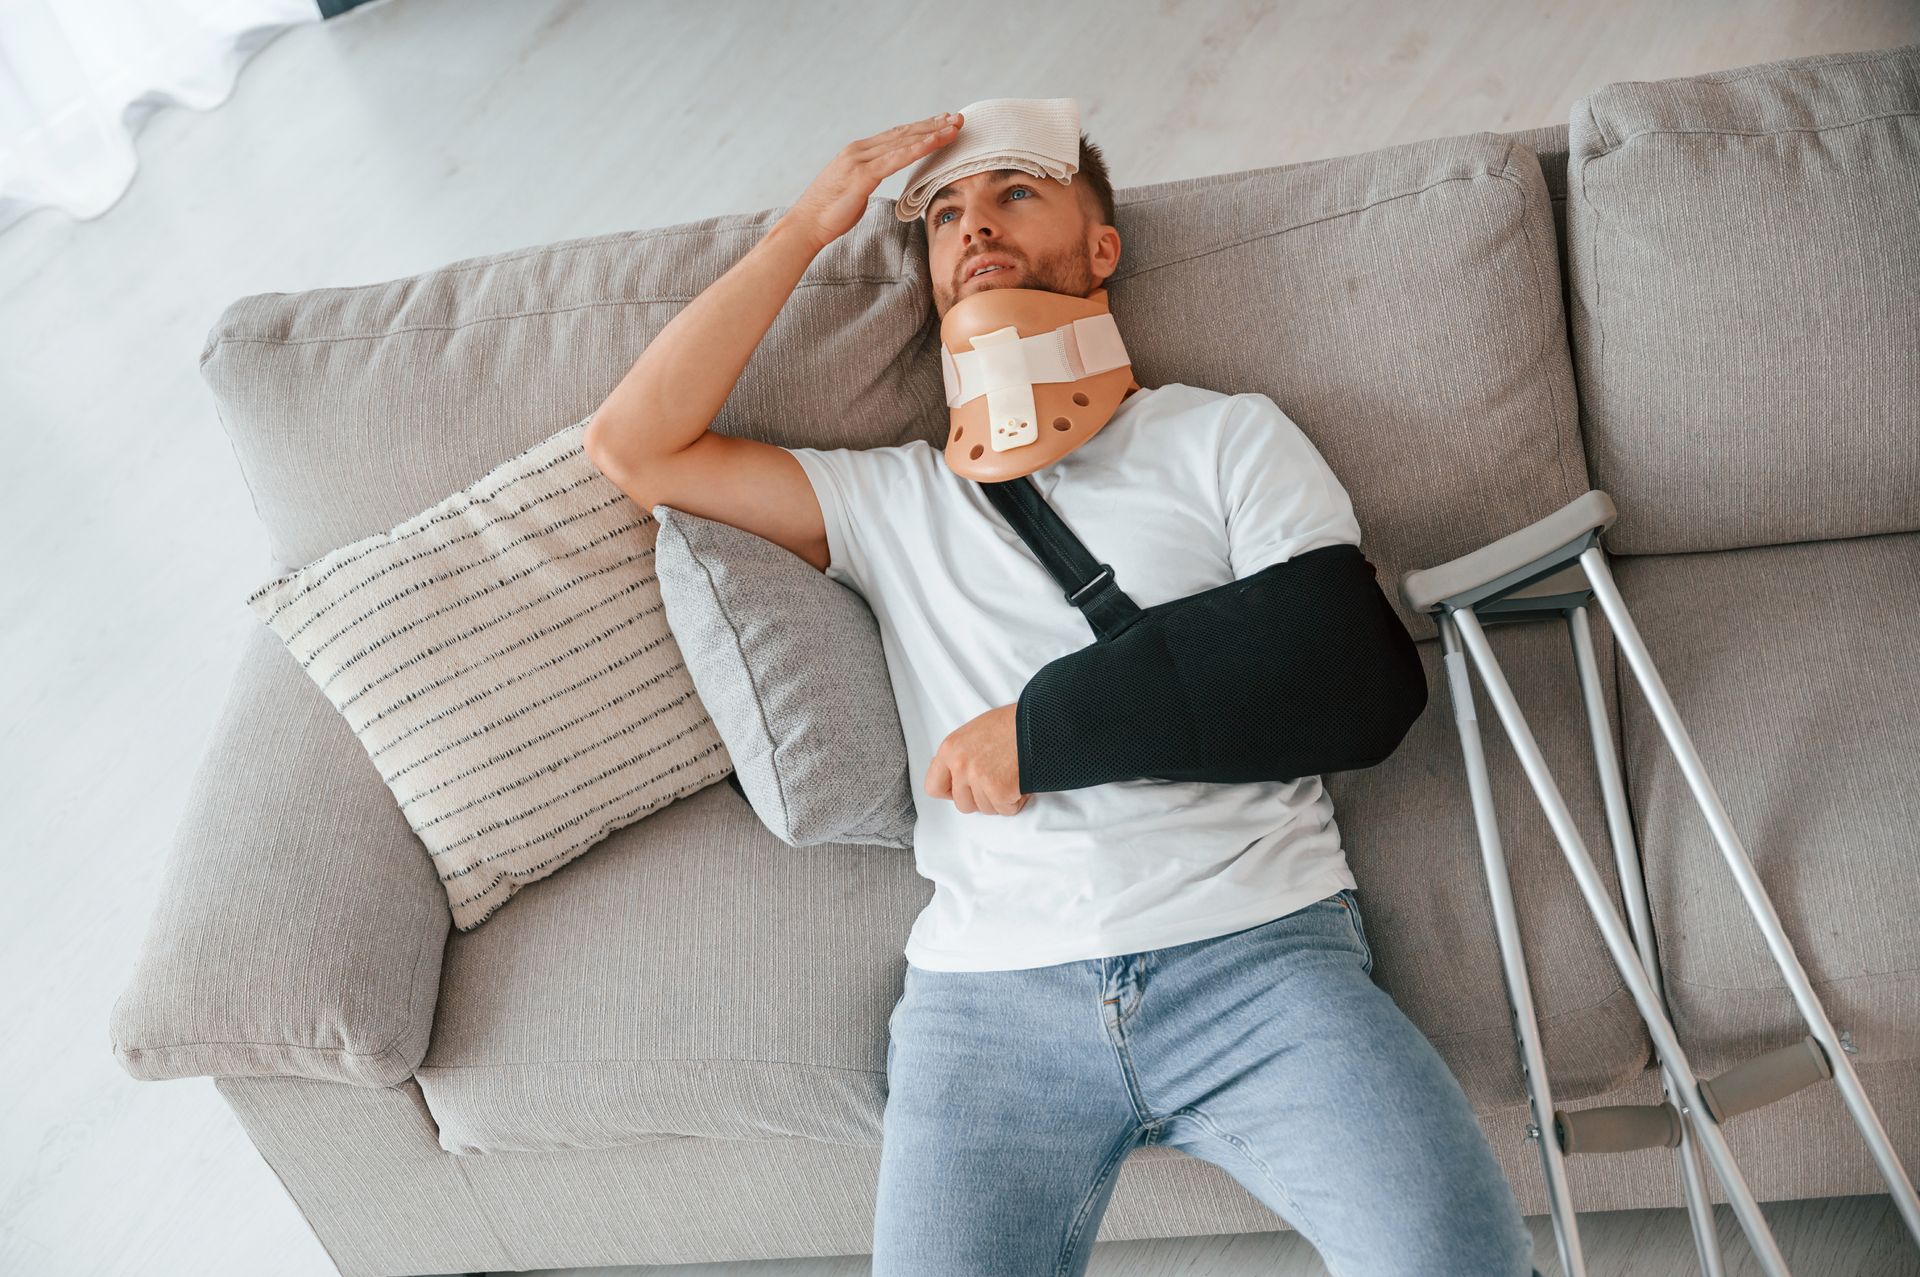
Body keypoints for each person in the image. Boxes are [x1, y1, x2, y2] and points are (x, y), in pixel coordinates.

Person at [584, 111, 1539, 1277]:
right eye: (944, 214)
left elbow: (1351, 670)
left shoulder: (1224, 437)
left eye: (1018, 193)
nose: (974, 221)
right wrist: (807, 224)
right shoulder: (890, 500)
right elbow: (634, 446)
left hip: (1257, 956)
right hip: (987, 1006)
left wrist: (1044, 733)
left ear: (1102, 251)